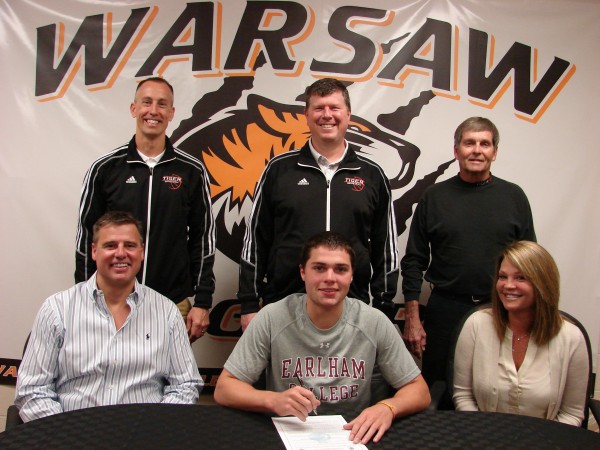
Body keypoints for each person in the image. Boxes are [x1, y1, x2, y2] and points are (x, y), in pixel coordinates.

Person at [216, 231, 429, 445]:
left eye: (341, 269)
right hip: (289, 434)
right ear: (303, 272)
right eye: (319, 268)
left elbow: (418, 390)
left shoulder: (374, 322)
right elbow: (225, 388)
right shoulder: (273, 317)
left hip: (353, 435)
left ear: (352, 275)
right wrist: (272, 400)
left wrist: (388, 408)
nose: (330, 278)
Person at [239, 78, 399, 331]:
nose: (327, 115)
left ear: (348, 114)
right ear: (306, 114)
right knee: (282, 372)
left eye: (334, 108)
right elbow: (256, 241)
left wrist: (383, 308)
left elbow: (386, 250)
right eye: (319, 108)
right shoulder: (279, 170)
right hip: (283, 305)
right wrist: (248, 304)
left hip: (354, 309)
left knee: (346, 372)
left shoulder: (372, 175)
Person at [16, 211, 203, 422]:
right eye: (110, 245)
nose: (121, 253)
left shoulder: (167, 311)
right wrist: (65, 435)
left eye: (130, 245)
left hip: (145, 435)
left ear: (141, 252)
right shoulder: (57, 309)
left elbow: (186, 385)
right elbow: (32, 391)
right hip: (72, 435)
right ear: (94, 251)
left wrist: (155, 428)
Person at [75, 77, 215, 342]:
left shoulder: (191, 171)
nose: (154, 111)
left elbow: (203, 239)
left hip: (172, 301)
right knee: (109, 379)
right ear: (133, 108)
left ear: (172, 113)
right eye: (147, 102)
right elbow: (86, 240)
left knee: (171, 381)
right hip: (112, 302)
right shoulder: (105, 169)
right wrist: (83, 297)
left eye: (162, 104)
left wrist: (202, 301)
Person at [401, 116, 536, 386]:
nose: (477, 150)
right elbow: (414, 260)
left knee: (495, 384)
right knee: (440, 387)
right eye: (469, 143)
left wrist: (526, 317)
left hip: (499, 308)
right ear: (456, 150)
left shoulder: (514, 197)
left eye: (485, 144)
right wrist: (412, 318)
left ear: (494, 152)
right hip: (445, 309)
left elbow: (530, 265)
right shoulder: (434, 196)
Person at [453, 241, 588, 426]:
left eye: (520, 278)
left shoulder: (571, 338)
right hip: (484, 438)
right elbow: (463, 396)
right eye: (502, 276)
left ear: (543, 283)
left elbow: (571, 413)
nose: (508, 285)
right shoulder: (476, 325)